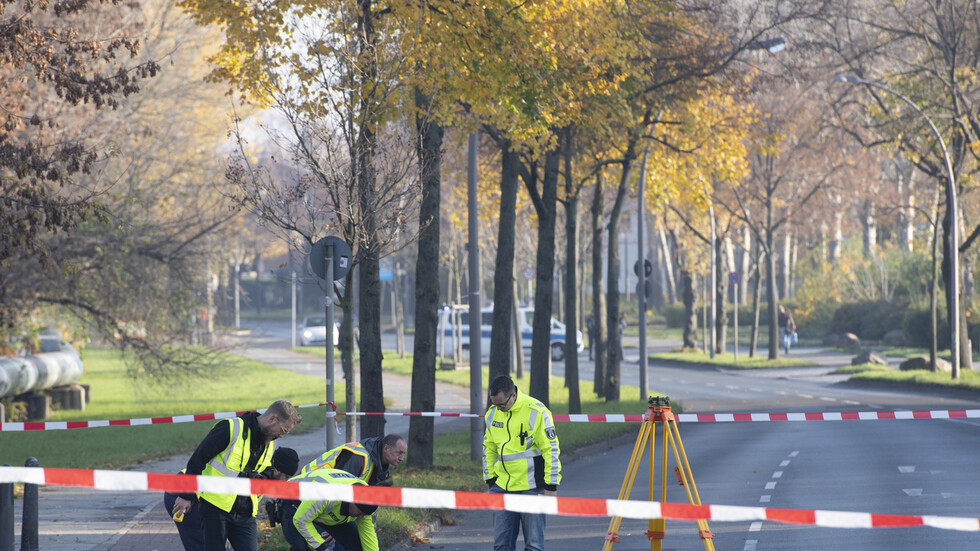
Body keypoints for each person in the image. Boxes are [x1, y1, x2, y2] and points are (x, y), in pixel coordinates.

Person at [170, 400, 302, 551]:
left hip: (246, 513)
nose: (282, 435)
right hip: (216, 508)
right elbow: (197, 460)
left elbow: (264, 470)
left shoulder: (270, 442)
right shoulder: (231, 428)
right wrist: (186, 495)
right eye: (283, 430)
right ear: (272, 419)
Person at [164, 447, 300, 551]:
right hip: (184, 495)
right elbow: (224, 498)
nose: (285, 482)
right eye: (286, 477)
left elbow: (239, 506)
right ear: (276, 470)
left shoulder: (265, 477)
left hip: (205, 498)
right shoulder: (256, 474)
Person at [483, 375, 561, 551]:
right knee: (501, 546)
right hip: (502, 487)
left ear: (513, 396)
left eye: (501, 404)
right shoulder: (492, 413)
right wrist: (490, 479)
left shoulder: (537, 411)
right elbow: (488, 447)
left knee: (533, 546)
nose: (498, 409)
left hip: (531, 488)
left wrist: (551, 485)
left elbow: (551, 450)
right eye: (494, 403)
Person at [280, 468, 380, 551]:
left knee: (358, 545)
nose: (361, 516)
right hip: (293, 504)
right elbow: (301, 520)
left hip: (324, 510)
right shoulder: (327, 492)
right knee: (302, 547)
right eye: (360, 512)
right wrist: (321, 547)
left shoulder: (366, 502)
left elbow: (369, 540)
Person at [299, 433, 407, 487]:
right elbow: (339, 487)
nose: (402, 458)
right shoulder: (359, 457)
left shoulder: (379, 463)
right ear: (386, 449)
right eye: (399, 453)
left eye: (404, 454)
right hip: (307, 486)